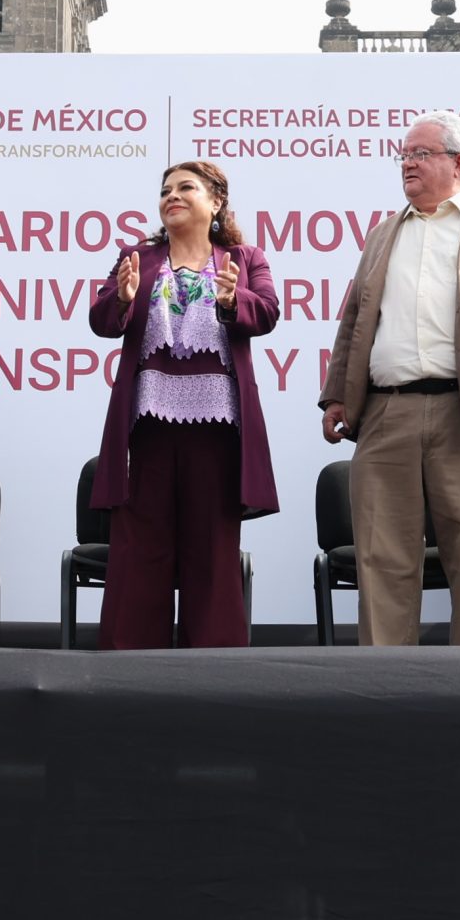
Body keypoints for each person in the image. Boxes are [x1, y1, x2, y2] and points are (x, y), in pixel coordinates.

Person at [319, 110, 460, 646]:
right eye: (403, 154)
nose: (408, 163)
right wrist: (337, 396)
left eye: (421, 154)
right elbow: (354, 320)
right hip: (384, 412)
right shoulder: (382, 233)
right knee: (381, 561)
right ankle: (384, 698)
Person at [86, 160, 278, 648]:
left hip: (217, 429)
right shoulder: (138, 257)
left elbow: (268, 314)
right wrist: (123, 299)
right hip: (146, 427)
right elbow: (103, 321)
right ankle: (128, 674)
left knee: (212, 552)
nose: (171, 195)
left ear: (215, 202)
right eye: (165, 189)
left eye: (185, 188)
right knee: (138, 552)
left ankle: (214, 676)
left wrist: (236, 301)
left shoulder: (244, 257)